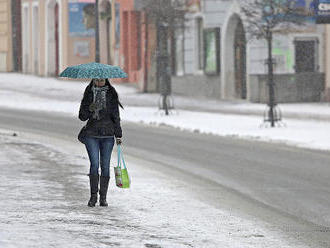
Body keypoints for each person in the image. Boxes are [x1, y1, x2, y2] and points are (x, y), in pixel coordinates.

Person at [78, 78, 123, 207]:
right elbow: (81, 116)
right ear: (93, 81)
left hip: (108, 135)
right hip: (91, 135)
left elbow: (116, 116)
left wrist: (118, 134)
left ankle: (103, 197)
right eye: (97, 80)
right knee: (94, 164)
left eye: (102, 80)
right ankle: (93, 197)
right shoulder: (89, 94)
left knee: (105, 166)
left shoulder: (111, 94)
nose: (99, 83)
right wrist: (90, 108)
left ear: (106, 81)